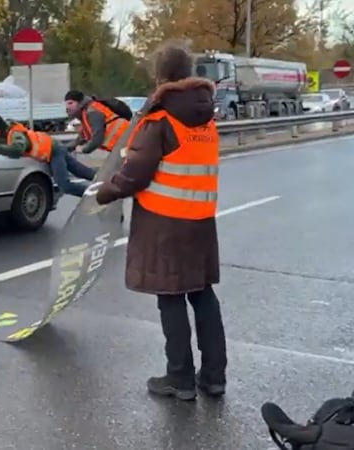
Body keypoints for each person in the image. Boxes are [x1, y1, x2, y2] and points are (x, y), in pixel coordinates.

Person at [92, 41, 227, 401]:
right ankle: (214, 377)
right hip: (201, 221)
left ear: (160, 76)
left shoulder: (160, 120)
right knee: (203, 295)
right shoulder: (207, 117)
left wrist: (106, 191)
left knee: (171, 297)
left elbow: (135, 174)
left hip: (165, 223)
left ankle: (179, 378)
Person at [0, 113, 95, 197]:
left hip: (54, 151)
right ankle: (105, 182)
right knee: (82, 172)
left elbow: (18, 149)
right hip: (54, 147)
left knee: (65, 186)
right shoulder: (3, 134)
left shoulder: (15, 134)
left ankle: (94, 196)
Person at [64, 90, 131, 154]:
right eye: (66, 104)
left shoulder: (92, 112)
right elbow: (81, 139)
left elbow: (97, 139)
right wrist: (62, 149)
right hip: (123, 144)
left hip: (128, 140)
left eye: (70, 103)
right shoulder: (85, 114)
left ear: (80, 102)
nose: (67, 107)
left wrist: (83, 149)